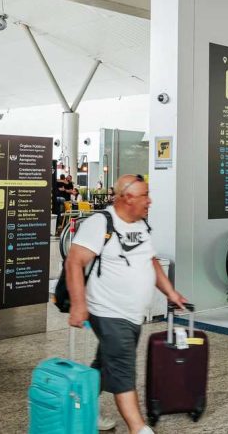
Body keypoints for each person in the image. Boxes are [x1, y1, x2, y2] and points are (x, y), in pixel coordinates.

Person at [66, 174, 187, 433]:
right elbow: (74, 262)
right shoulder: (100, 223)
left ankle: (81, 409)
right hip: (108, 311)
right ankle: (138, 427)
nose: (150, 200)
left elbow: (150, 261)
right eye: (144, 195)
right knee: (122, 367)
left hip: (132, 315)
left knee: (104, 364)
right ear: (127, 197)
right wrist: (78, 304)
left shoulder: (140, 224)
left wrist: (170, 293)